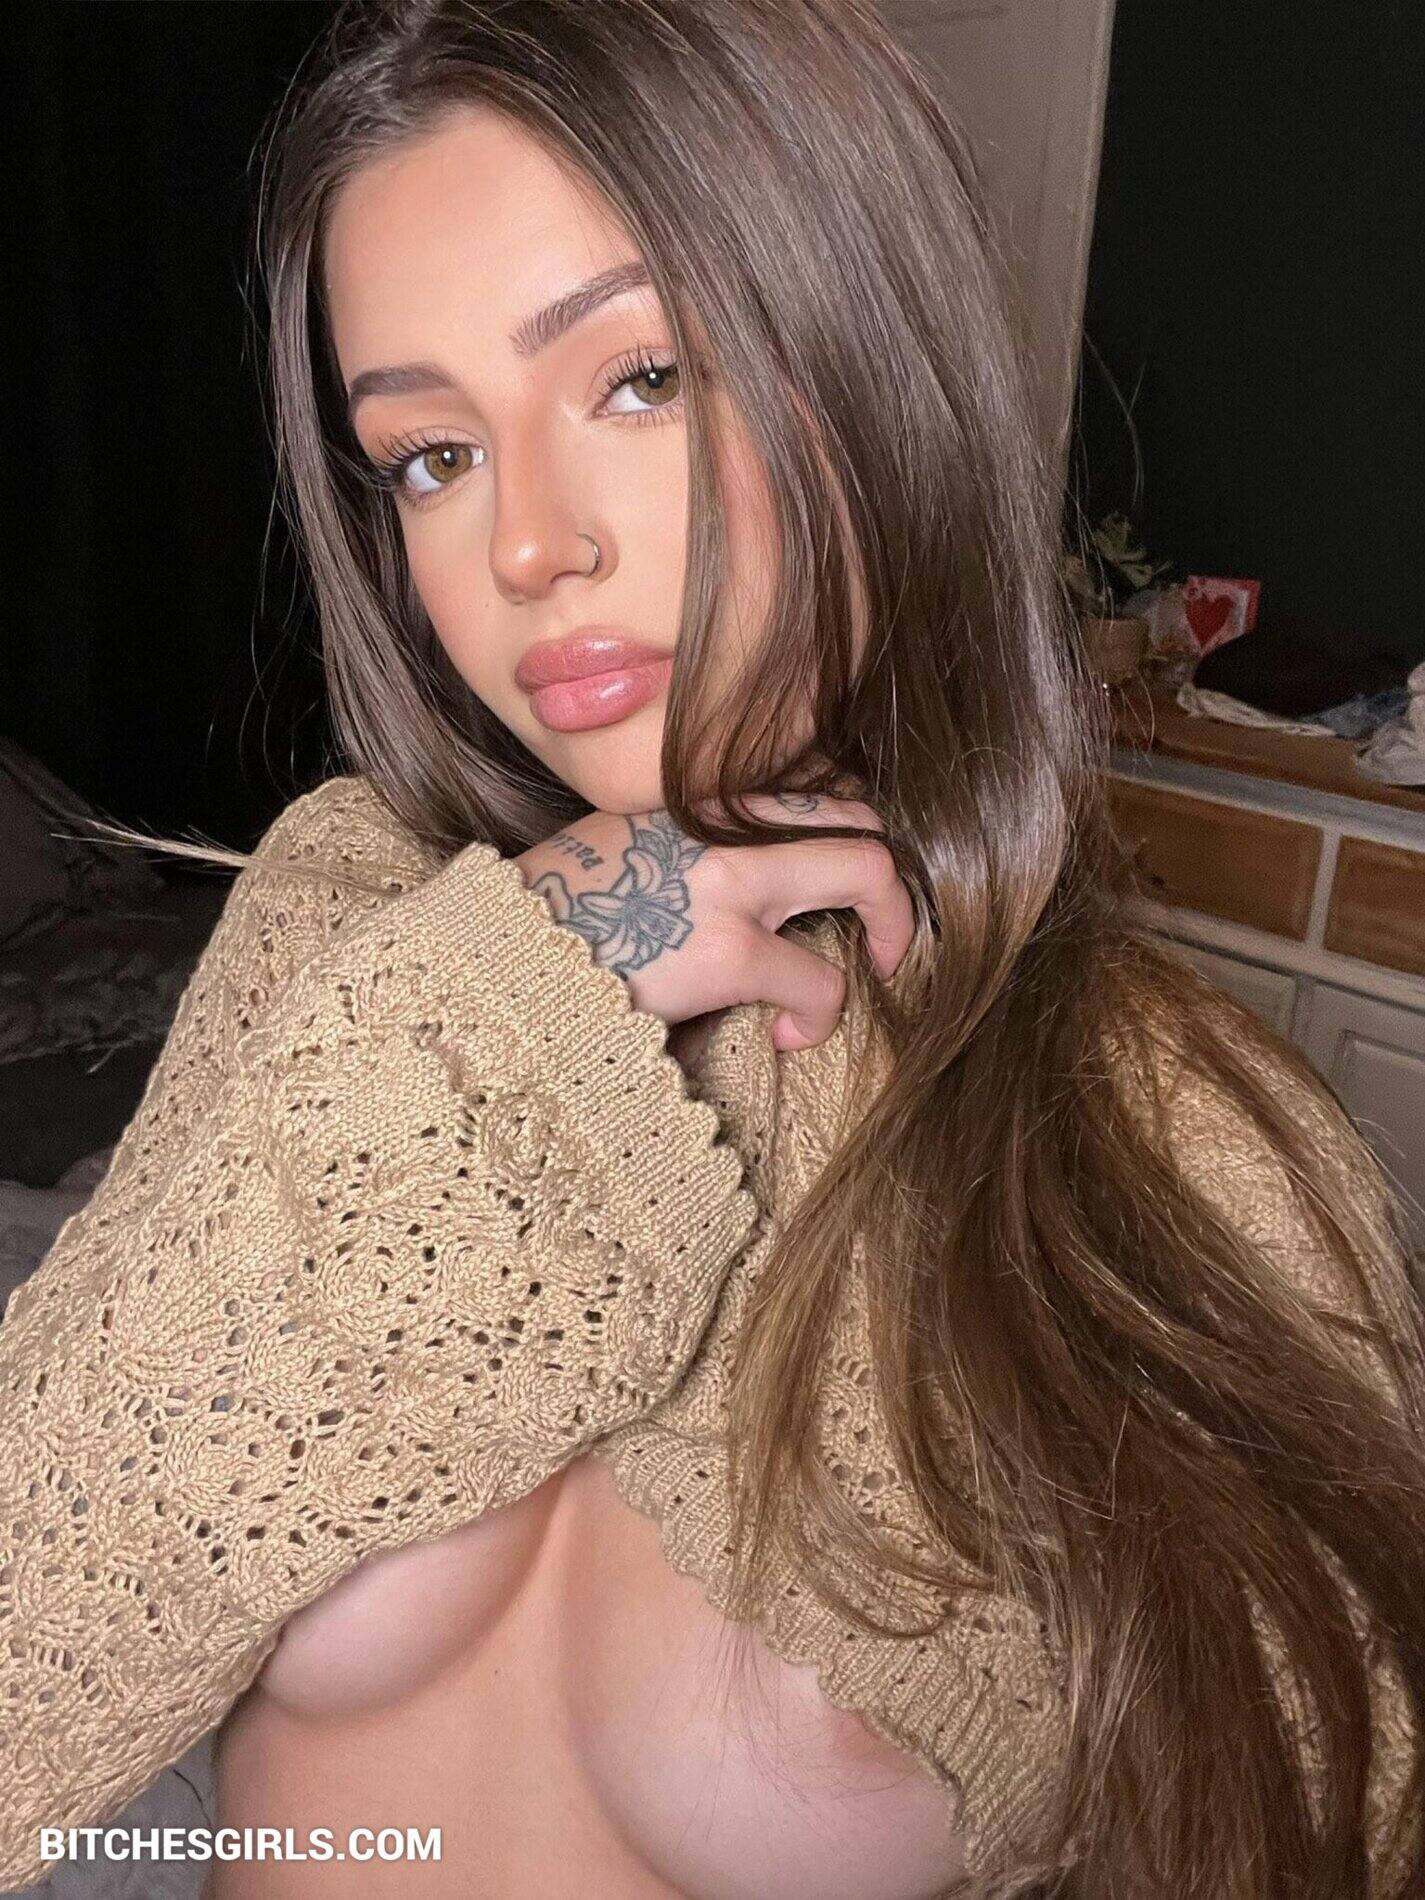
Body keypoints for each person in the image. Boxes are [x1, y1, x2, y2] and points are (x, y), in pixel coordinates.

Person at [3, 2, 1424, 1896]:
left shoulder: (1177, 1146)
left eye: (641, 378)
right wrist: (515, 997)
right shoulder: (347, 922)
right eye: (429, 455)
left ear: (873, 370)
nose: (523, 548)